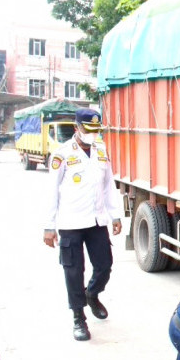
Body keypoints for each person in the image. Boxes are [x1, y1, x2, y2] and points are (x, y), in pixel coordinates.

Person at [43, 108, 123, 341]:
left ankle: (92, 293)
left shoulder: (101, 152)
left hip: (97, 220)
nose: (93, 135)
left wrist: (115, 215)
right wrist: (49, 226)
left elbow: (109, 186)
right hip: (71, 221)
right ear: (76, 128)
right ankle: (79, 317)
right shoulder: (62, 154)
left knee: (105, 264)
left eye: (96, 131)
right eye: (88, 130)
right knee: (73, 271)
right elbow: (51, 192)